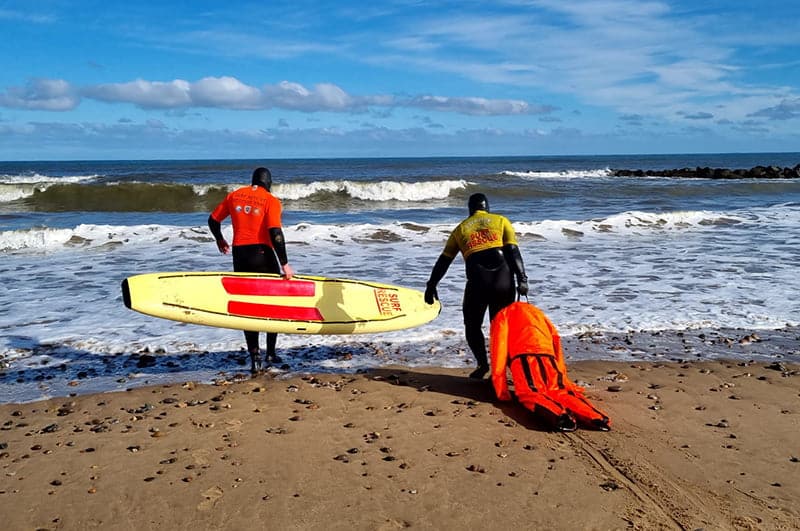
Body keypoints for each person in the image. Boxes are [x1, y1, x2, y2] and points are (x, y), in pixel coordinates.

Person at [424, 193, 528, 379]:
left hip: (477, 283)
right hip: (503, 282)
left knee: (472, 325)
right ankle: (510, 369)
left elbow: (444, 261)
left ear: (470, 209)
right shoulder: (501, 220)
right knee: (501, 326)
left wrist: (431, 285)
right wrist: (522, 278)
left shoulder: (460, 229)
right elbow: (513, 250)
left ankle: (482, 365)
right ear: (487, 207)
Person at [208, 167, 294, 374]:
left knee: (247, 306)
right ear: (269, 183)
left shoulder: (234, 195)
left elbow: (213, 220)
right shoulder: (270, 200)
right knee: (273, 303)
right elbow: (275, 232)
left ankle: (254, 357)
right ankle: (271, 353)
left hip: (240, 256)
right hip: (262, 254)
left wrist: (220, 239)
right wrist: (284, 263)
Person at [490, 301, 611, 432]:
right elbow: (555, 339)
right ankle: (596, 417)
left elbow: (499, 350)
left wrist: (502, 392)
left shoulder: (503, 315)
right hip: (549, 356)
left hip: (524, 358)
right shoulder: (538, 313)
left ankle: (560, 416)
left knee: (532, 393)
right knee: (560, 391)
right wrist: (563, 376)